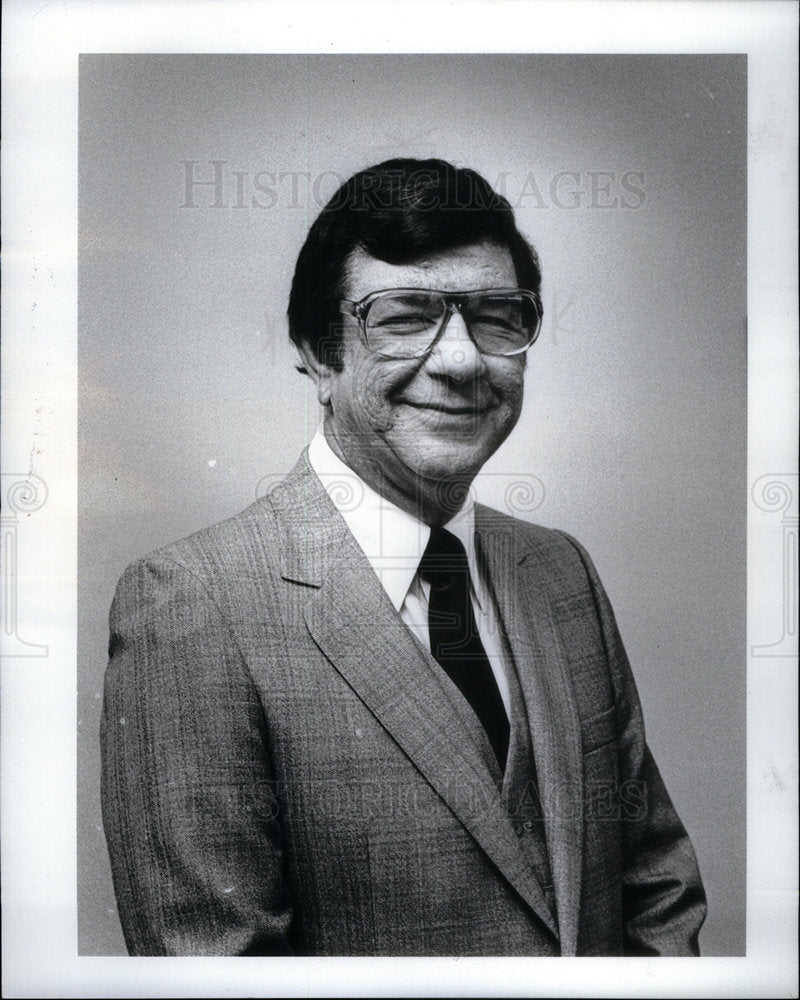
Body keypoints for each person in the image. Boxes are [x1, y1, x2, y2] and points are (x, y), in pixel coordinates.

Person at [100, 158, 707, 956]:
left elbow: (655, 888)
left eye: (497, 317)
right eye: (405, 315)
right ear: (322, 356)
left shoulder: (561, 574)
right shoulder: (189, 605)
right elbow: (217, 973)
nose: (461, 362)